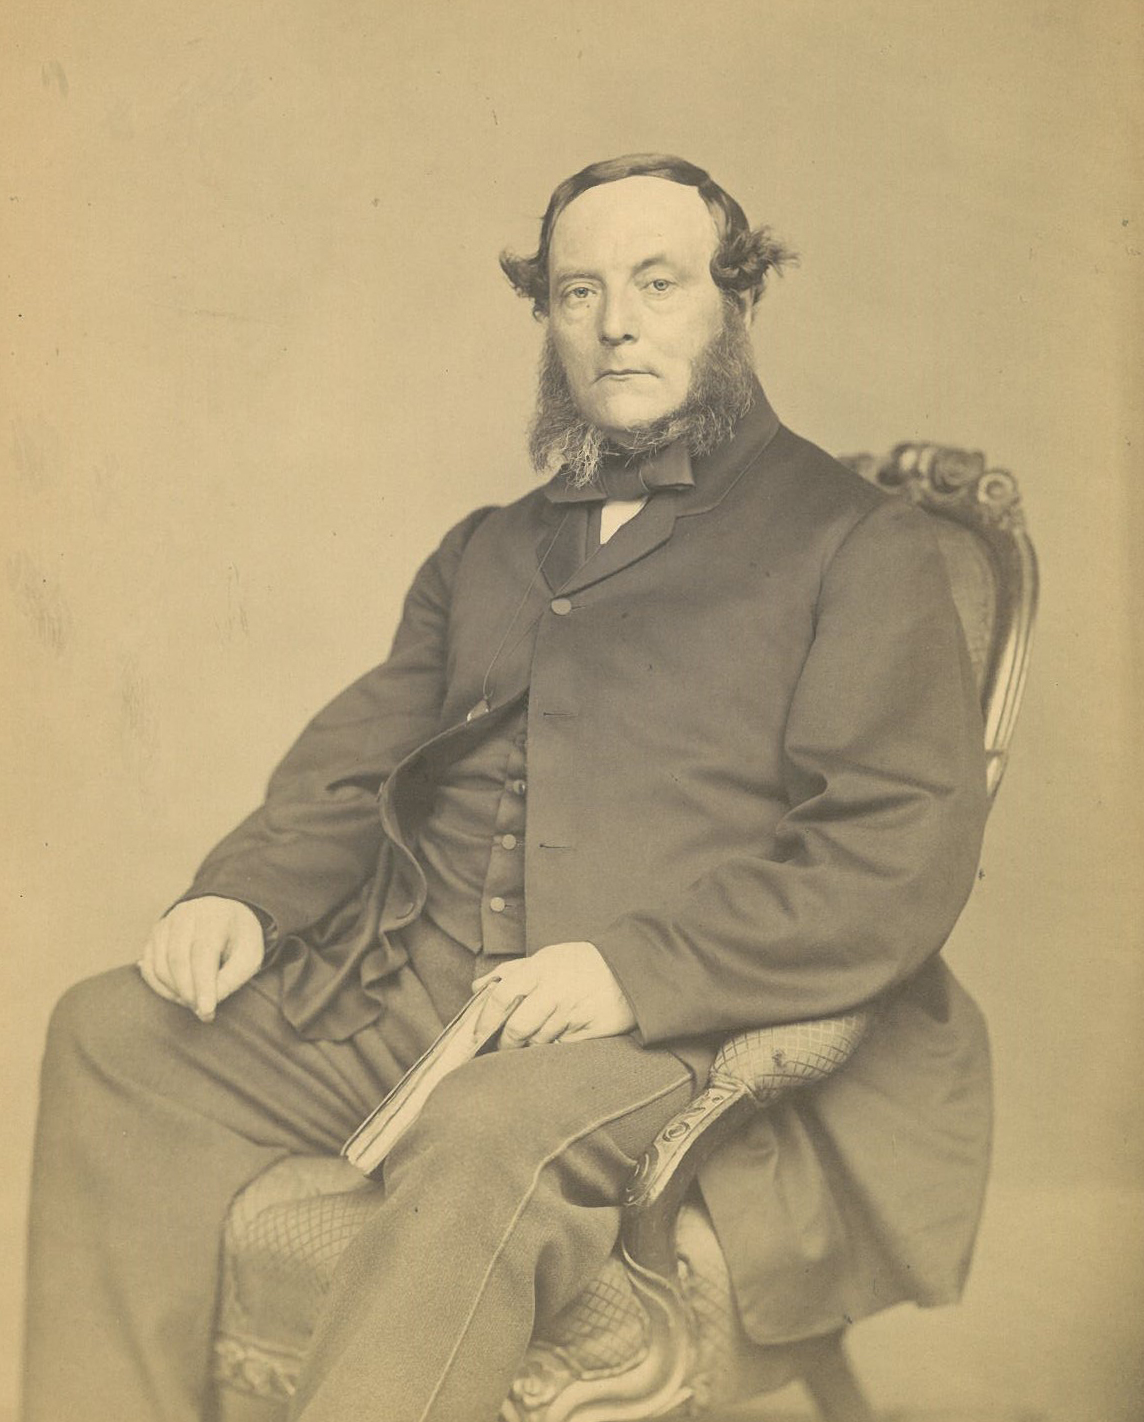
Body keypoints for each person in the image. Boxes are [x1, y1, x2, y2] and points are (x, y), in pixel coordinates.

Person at [22, 154, 991, 1422]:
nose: (616, 322)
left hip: (676, 1021)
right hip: (424, 992)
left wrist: (630, 971)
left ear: (738, 301)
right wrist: (244, 897)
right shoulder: (488, 546)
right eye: (579, 291)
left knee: (482, 1127)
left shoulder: (854, 541)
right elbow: (354, 756)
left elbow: (892, 850)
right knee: (114, 1037)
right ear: (548, 317)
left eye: (658, 283)